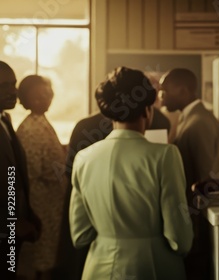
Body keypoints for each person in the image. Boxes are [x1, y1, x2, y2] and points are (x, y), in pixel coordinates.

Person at [69, 66, 193, 279]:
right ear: (147, 110)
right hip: (153, 266)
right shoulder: (165, 156)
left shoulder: (84, 158)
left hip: (98, 269)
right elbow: (179, 237)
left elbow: (80, 235)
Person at [160, 68, 219, 280]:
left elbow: (204, 178)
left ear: (183, 91)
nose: (161, 96)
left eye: (165, 90)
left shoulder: (199, 121)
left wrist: (193, 226)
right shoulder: (189, 117)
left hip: (195, 222)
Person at [15, 75, 67, 280]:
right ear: (26, 100)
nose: (44, 100)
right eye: (37, 97)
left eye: (47, 94)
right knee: (40, 259)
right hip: (39, 204)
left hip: (50, 204)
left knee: (47, 256)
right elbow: (34, 170)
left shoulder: (42, 121)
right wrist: (66, 163)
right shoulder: (31, 128)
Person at [0, 61, 40, 280]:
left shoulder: (5, 119)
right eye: (4, 86)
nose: (12, 91)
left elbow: (12, 174)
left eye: (13, 84)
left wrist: (27, 213)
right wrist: (11, 224)